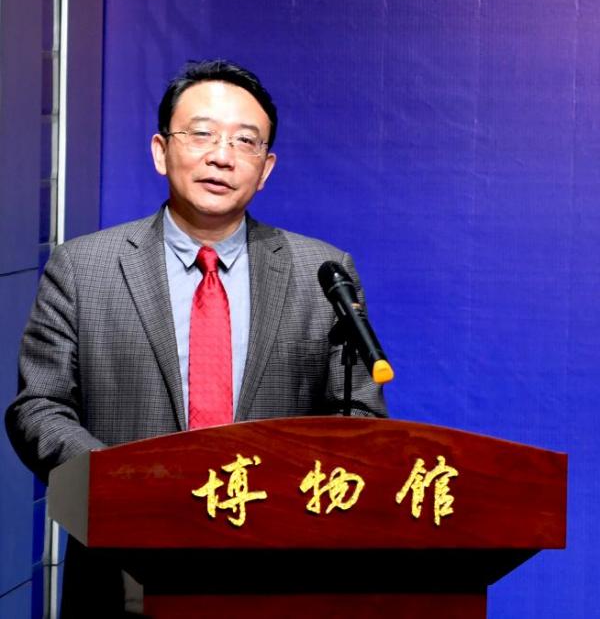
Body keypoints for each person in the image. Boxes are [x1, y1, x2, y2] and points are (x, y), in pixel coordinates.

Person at [5, 59, 388, 616]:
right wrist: (124, 486)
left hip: (279, 572)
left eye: (245, 141)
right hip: (125, 568)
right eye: (202, 134)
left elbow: (358, 415)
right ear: (161, 151)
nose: (221, 156)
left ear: (266, 168)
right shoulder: (83, 267)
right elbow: (39, 408)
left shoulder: (322, 272)